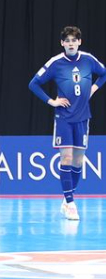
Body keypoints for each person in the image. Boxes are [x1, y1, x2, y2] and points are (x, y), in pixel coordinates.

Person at [28, 26, 106, 221]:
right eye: (67, 40)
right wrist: (51, 101)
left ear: (79, 42)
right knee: (66, 159)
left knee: (78, 161)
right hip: (63, 118)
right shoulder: (56, 63)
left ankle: (67, 199)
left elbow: (103, 73)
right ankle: (70, 202)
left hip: (83, 117)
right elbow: (33, 83)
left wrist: (94, 88)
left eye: (74, 40)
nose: (71, 43)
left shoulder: (88, 59)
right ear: (62, 43)